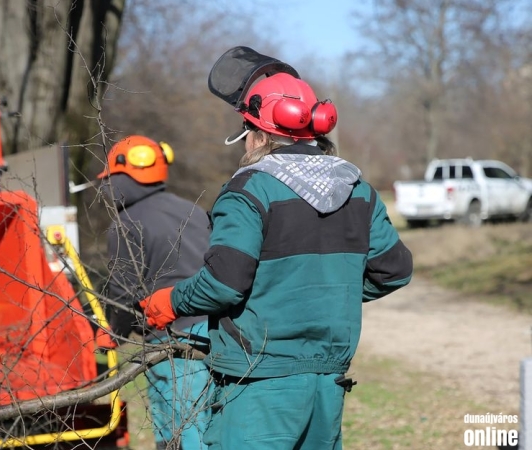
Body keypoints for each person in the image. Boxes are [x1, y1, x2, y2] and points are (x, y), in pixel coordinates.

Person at [139, 47, 414, 450]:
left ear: (259, 133)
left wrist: (172, 300)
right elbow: (395, 270)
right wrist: (327, 290)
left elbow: (223, 283)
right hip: (328, 381)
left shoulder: (248, 190)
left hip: (259, 383)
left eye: (248, 131)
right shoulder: (360, 191)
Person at [95, 134, 212, 450]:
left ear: (121, 177)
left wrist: (111, 334)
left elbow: (122, 289)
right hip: (215, 333)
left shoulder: (126, 223)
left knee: (181, 434)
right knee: (204, 427)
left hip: (172, 341)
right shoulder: (194, 211)